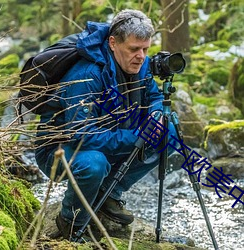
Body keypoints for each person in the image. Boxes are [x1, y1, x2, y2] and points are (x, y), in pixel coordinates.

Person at [35, 9, 179, 241]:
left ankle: (109, 193)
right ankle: (70, 221)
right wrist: (136, 136)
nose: (141, 56)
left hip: (110, 135)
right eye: (134, 49)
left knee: (168, 133)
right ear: (113, 43)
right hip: (60, 150)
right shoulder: (86, 75)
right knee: (94, 164)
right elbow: (82, 136)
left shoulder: (139, 64)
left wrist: (156, 115)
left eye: (146, 49)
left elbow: (153, 97)